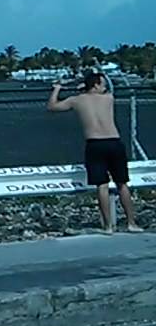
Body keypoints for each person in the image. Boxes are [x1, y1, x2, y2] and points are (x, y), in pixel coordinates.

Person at [48, 71, 141, 233]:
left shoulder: (76, 100)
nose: (104, 86)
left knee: (102, 185)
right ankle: (131, 223)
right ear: (96, 85)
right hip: (114, 142)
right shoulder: (108, 98)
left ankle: (107, 226)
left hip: (95, 144)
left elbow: (52, 106)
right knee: (122, 184)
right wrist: (85, 86)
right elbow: (108, 90)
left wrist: (57, 88)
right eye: (102, 83)